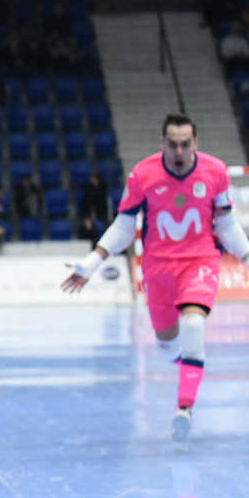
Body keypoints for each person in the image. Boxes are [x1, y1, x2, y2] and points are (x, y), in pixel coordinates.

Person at [61, 113, 249, 441]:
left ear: (195, 144)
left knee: (194, 324)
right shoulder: (142, 175)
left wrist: (246, 256)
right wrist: (92, 262)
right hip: (158, 269)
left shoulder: (215, 172)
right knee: (167, 348)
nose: (178, 151)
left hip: (200, 260)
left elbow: (226, 224)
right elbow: (123, 225)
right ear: (162, 143)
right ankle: (192, 364)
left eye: (185, 144)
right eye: (172, 144)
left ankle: (184, 408)